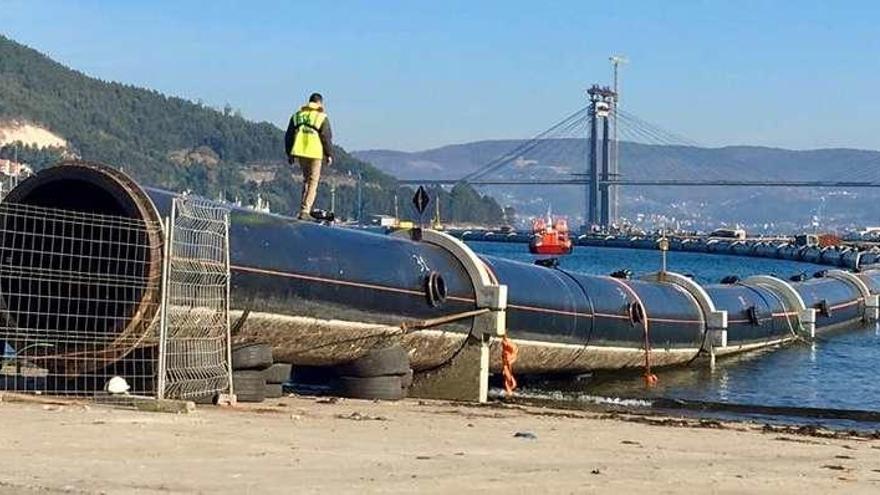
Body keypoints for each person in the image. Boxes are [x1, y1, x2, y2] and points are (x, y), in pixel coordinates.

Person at [284, 92, 333, 220]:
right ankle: (305, 210)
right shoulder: (321, 117)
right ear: (319, 103)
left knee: (306, 180)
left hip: (300, 152)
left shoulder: (298, 116)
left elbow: (288, 135)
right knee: (313, 182)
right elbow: (326, 137)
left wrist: (289, 153)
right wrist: (329, 154)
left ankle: (303, 209)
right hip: (315, 153)